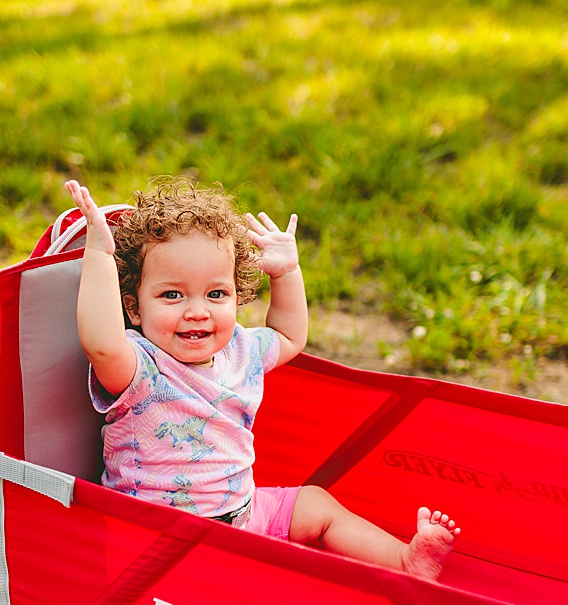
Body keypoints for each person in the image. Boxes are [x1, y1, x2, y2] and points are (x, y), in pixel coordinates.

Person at [63, 176, 460, 580]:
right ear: (133, 307)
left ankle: (405, 561)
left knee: (315, 505)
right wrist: (98, 253)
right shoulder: (139, 365)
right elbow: (102, 345)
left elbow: (290, 336)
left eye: (216, 294)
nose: (197, 311)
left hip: (243, 516)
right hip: (155, 535)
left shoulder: (241, 350)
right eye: (172, 295)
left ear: (237, 296)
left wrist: (286, 272)